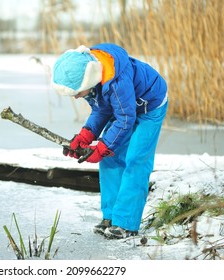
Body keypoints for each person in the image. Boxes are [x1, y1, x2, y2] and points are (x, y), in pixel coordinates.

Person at [51, 43, 168, 239]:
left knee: (136, 160)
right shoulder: (92, 76)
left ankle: (126, 223)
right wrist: (85, 136)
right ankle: (110, 217)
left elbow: (125, 119)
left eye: (77, 93)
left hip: (150, 107)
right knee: (110, 159)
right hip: (124, 109)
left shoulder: (116, 82)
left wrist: (102, 147)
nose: (77, 97)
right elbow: (102, 108)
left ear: (88, 79)